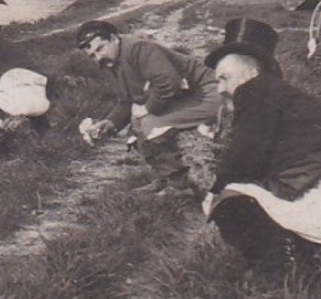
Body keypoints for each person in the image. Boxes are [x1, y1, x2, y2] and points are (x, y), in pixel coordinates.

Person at [201, 24, 321, 274]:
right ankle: (317, 258)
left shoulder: (254, 89)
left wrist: (213, 193)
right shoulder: (284, 94)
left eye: (224, 78)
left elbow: (242, 158)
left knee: (229, 200)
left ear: (250, 73)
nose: (219, 89)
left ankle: (281, 271)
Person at [75, 19, 223, 197]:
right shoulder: (110, 62)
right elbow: (126, 100)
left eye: (100, 48)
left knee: (149, 122)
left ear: (114, 38)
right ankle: (167, 177)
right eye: (92, 55)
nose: (98, 58)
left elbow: (169, 83)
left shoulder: (138, 49)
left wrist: (148, 108)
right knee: (138, 124)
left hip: (210, 92)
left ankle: (179, 185)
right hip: (186, 95)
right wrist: (109, 123)